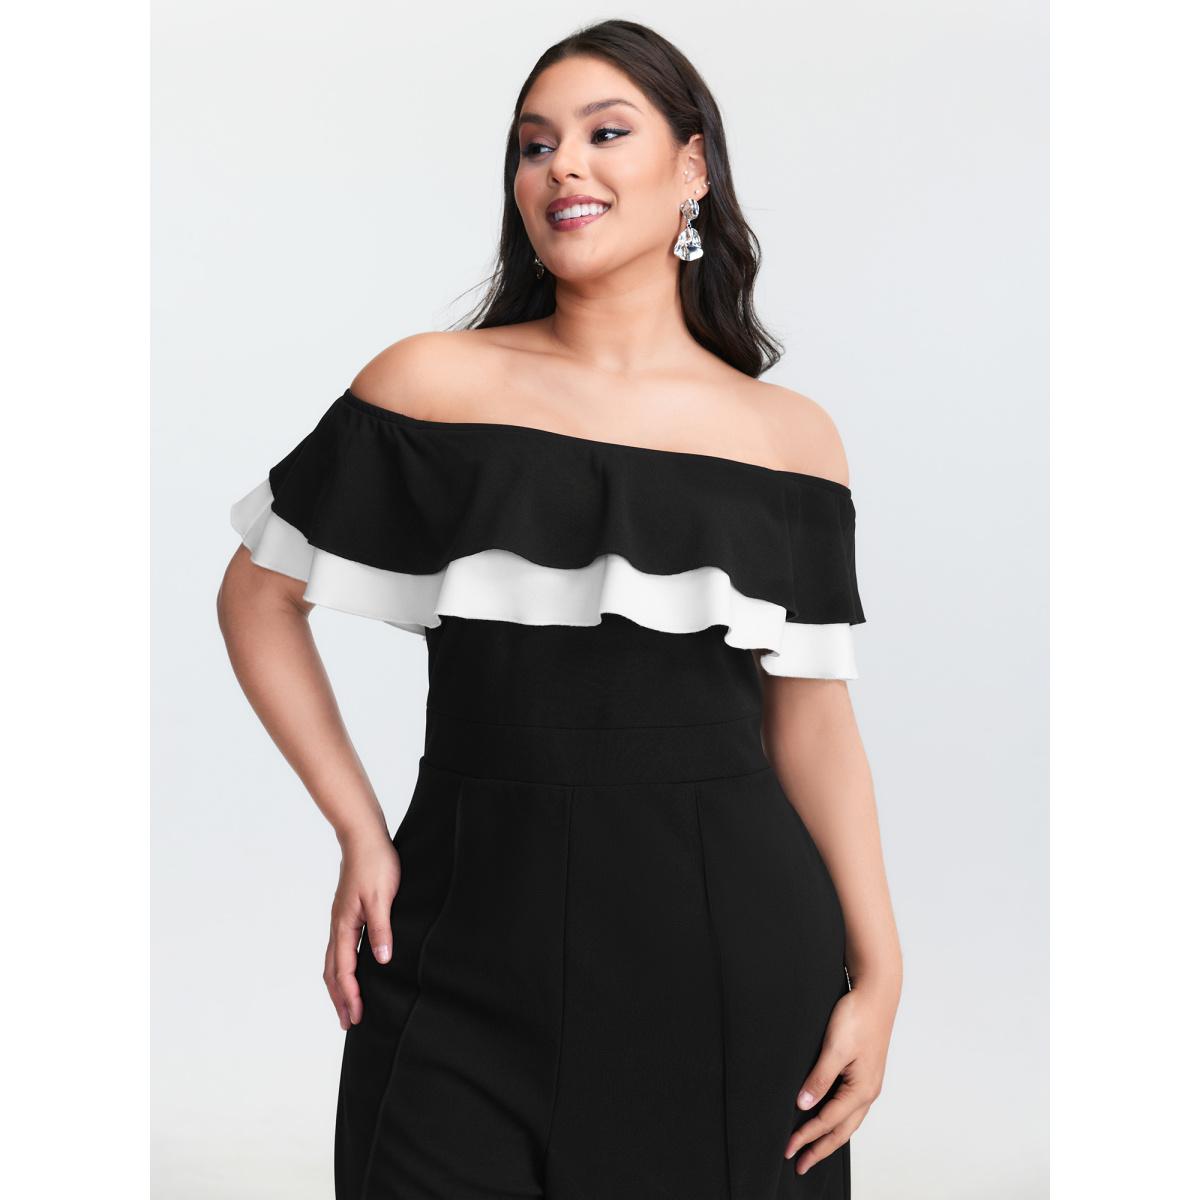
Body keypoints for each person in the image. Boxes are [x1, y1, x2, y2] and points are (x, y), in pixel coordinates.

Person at [217, 19, 902, 1200]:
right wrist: (360, 831)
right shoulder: (430, 386)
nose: (562, 166)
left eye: (605, 133)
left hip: (729, 956)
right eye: (534, 146)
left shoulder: (791, 441)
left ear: (692, 168)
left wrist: (880, 973)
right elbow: (257, 599)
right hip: (460, 939)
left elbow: (813, 722)